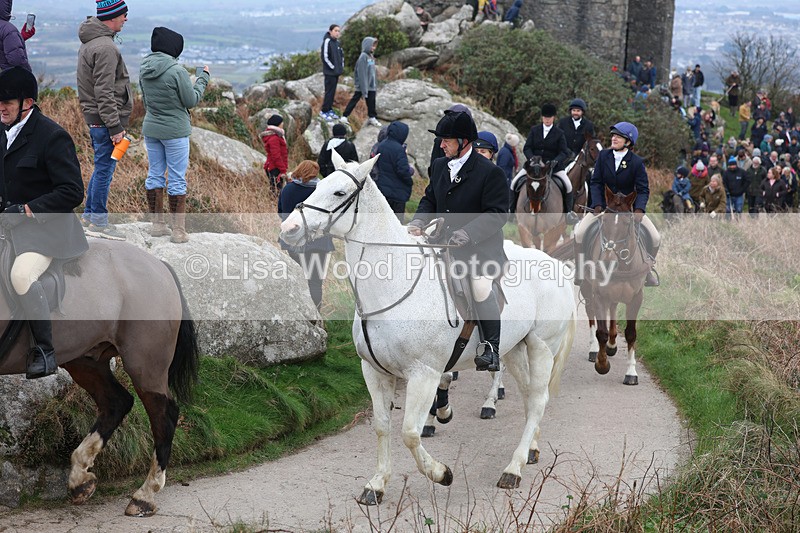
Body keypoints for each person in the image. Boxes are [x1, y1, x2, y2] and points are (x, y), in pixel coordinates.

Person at [0, 67, 88, 379]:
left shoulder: (52, 136)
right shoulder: (3, 132)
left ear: (28, 103)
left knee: (21, 276)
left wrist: (27, 209)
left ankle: (44, 351)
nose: (1, 107)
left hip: (46, 231)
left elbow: (72, 191)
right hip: (7, 225)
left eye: (7, 102)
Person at [407, 111, 507, 372]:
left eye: (446, 140)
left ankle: (491, 347)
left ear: (465, 141)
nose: (441, 145)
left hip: (480, 248)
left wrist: (468, 233)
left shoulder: (490, 172)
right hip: (443, 242)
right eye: (441, 140)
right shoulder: (440, 165)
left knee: (480, 286)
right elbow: (430, 198)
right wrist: (418, 221)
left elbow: (498, 214)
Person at [140, 27, 209, 244]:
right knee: (177, 178)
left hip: (151, 129)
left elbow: (145, 102)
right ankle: (178, 231)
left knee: (155, 175)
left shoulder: (144, 68)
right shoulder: (176, 71)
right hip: (175, 132)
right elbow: (191, 101)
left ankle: (157, 225)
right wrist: (203, 79)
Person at [573, 122, 660, 286]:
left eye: (618, 136)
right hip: (605, 207)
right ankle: (581, 269)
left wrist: (639, 209)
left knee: (655, 237)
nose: (613, 138)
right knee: (579, 233)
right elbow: (596, 182)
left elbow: (643, 189)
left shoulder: (636, 162)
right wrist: (597, 204)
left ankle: (647, 271)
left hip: (629, 209)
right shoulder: (603, 157)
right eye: (613, 135)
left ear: (628, 141)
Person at [77, 0, 131, 240]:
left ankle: (90, 215)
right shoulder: (106, 47)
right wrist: (115, 126)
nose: (125, 19)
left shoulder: (92, 42)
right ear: (112, 16)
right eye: (123, 15)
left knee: (101, 167)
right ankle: (98, 220)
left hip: (96, 118)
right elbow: (104, 91)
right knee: (104, 170)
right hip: (104, 120)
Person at [277, 161, 334, 310]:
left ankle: (298, 312)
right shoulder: (320, 191)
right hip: (318, 242)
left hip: (292, 241)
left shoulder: (288, 189)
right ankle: (315, 316)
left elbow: (281, 212)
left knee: (298, 278)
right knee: (315, 281)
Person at [522, 103, 577, 223]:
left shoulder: (559, 133)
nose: (547, 120)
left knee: (568, 185)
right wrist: (531, 159)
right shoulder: (534, 130)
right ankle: (511, 211)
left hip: (553, 167)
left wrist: (555, 161)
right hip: (533, 167)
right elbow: (527, 148)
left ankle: (568, 214)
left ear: (554, 118)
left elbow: (564, 152)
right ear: (542, 118)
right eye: (545, 117)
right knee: (515, 181)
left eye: (549, 117)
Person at [374, 120, 413, 222]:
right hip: (397, 192)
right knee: (396, 223)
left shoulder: (381, 145)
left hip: (382, 188)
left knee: (382, 221)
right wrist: (409, 181)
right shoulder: (399, 149)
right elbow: (403, 170)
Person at [341, 36, 381, 128]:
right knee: (355, 99)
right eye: (372, 46)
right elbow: (362, 73)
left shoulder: (371, 56)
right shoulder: (363, 57)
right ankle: (344, 116)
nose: (374, 48)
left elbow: (372, 71)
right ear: (367, 45)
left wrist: (374, 83)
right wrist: (364, 89)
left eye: (375, 46)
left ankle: (372, 117)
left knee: (371, 101)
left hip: (371, 85)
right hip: (363, 85)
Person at [320, 24, 344, 122]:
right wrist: (333, 67)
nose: (337, 33)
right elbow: (324, 56)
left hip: (336, 73)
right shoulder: (327, 41)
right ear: (330, 31)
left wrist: (341, 67)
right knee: (329, 92)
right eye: (335, 30)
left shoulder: (337, 43)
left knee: (332, 92)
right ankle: (324, 111)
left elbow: (341, 56)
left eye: (339, 31)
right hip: (330, 73)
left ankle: (329, 109)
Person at [260, 114, 288, 195]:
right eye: (281, 122)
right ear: (278, 124)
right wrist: (283, 169)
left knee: (276, 189)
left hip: (275, 167)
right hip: (275, 168)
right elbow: (276, 156)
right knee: (277, 191)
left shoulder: (277, 135)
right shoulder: (274, 138)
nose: (283, 124)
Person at [0, 1, 30, 71]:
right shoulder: (7, 29)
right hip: (7, 79)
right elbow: (17, 60)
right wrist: (29, 76)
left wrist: (20, 38)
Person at [496, 132, 519, 209]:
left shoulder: (507, 151)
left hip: (507, 177)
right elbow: (503, 167)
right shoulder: (506, 152)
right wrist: (504, 179)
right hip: (505, 178)